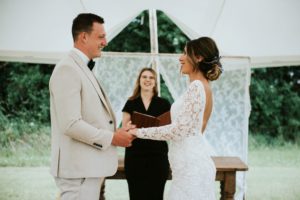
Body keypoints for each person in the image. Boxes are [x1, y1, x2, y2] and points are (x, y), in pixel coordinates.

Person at [49, 13, 135, 200]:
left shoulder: (80, 67)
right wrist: (113, 137)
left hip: (87, 169)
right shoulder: (67, 69)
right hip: (78, 172)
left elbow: (90, 117)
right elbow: (70, 124)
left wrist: (117, 131)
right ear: (84, 37)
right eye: (101, 36)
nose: (105, 41)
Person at [130, 37, 222, 200]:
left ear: (199, 57)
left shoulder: (196, 87)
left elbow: (179, 131)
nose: (180, 58)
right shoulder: (205, 86)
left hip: (190, 170)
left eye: (185, 53)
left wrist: (138, 132)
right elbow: (197, 128)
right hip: (188, 167)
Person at [122, 68, 171, 200]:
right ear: (139, 81)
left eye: (151, 77)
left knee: (156, 195)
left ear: (155, 82)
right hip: (135, 157)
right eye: (144, 77)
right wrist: (129, 128)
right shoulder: (131, 102)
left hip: (158, 157)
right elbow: (124, 129)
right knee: (136, 195)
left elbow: (169, 130)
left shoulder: (164, 103)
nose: (147, 80)